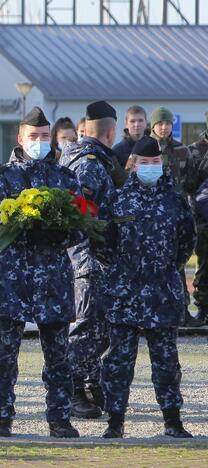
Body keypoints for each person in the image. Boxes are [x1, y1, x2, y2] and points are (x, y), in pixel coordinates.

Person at [0, 107, 82, 438]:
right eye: (32, 137)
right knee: (5, 355)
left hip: (52, 278)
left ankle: (59, 417)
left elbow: (79, 227)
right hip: (14, 278)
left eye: (43, 137)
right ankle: (1, 416)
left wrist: (57, 230)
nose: (38, 142)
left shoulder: (65, 178)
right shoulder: (3, 177)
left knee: (58, 356)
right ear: (20, 139)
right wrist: (20, 226)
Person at [98, 136, 195, 439]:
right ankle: (115, 422)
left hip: (162, 293)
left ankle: (173, 420)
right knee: (118, 363)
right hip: (124, 294)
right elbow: (103, 244)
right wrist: (121, 272)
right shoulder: (117, 200)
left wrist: (165, 269)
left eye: (155, 163)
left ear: (161, 164)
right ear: (133, 165)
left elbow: (186, 243)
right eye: (145, 163)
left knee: (166, 362)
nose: (151, 167)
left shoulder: (175, 201)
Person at [60, 101, 126, 420]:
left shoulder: (89, 158)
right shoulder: (89, 164)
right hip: (89, 260)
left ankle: (89, 383)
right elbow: (81, 216)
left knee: (99, 326)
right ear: (111, 132)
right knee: (87, 327)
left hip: (93, 259)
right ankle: (70, 391)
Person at [149, 106, 201, 327]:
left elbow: (190, 182)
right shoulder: (144, 148)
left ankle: (182, 311)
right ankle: (151, 310)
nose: (164, 127)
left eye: (167, 123)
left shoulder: (182, 150)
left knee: (178, 264)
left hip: (177, 214)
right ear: (153, 126)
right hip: (151, 214)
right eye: (160, 123)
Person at [185, 112, 208, 326]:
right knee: (204, 264)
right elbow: (189, 186)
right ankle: (203, 306)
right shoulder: (195, 150)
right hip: (203, 217)